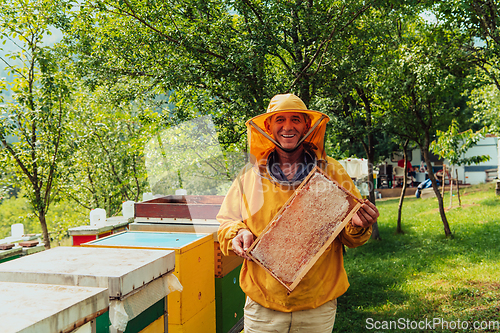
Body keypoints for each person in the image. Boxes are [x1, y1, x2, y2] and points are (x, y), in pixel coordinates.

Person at [217, 93, 379, 333]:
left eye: (296, 119)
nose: (288, 126)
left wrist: (358, 224)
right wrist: (237, 233)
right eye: (279, 119)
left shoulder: (332, 171)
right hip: (263, 305)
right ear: (269, 127)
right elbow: (226, 223)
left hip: (317, 305)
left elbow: (351, 237)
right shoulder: (250, 176)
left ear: (307, 125)